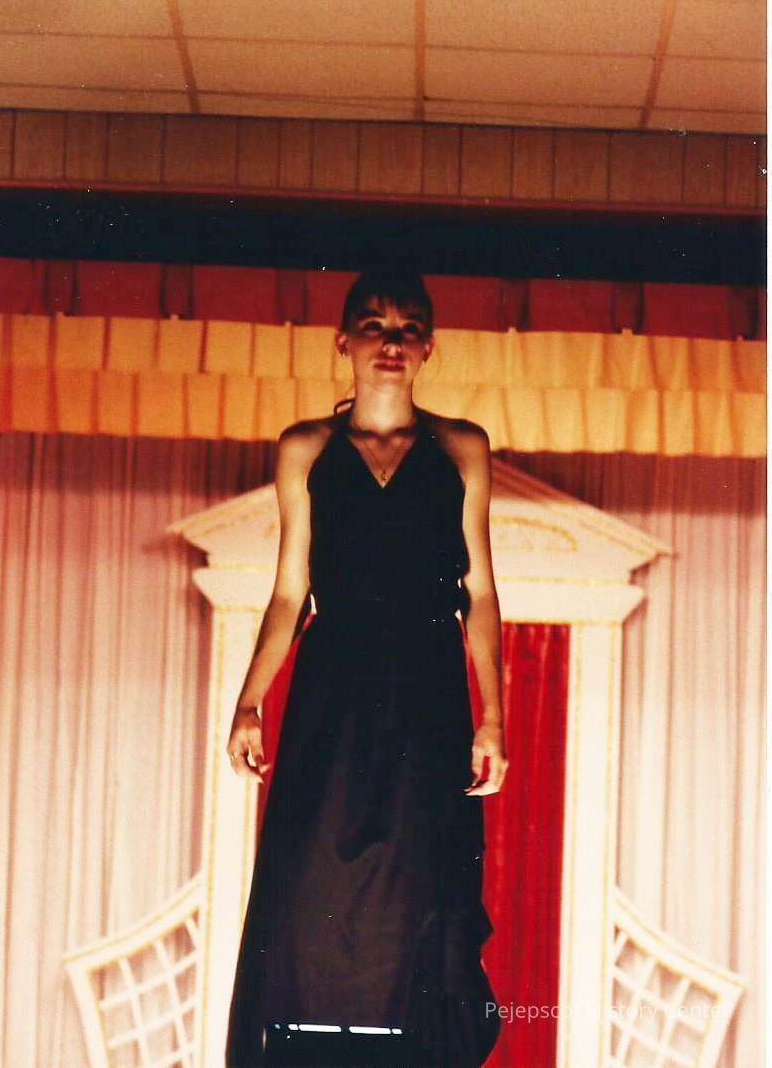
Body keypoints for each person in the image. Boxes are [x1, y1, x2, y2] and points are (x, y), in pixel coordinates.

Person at [224, 267, 508, 1068]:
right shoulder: (305, 448)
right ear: (343, 340)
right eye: (374, 324)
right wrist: (248, 702)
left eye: (407, 326)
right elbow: (290, 593)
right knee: (314, 874)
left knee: (423, 874)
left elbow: (481, 592)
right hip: (334, 683)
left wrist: (492, 716)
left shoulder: (462, 448)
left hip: (427, 682)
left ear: (427, 347)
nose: (390, 340)